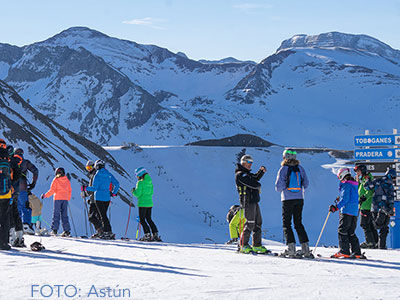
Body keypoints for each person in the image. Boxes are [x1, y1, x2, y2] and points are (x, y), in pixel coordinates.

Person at [275, 149, 313, 258]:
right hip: (300, 199)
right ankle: (305, 249)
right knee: (298, 223)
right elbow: (306, 184)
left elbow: (278, 187)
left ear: (284, 157)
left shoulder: (283, 169)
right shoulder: (300, 168)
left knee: (287, 224)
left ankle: (291, 248)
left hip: (287, 199)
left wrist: (286, 187)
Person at [235, 154, 268, 254]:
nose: (250, 164)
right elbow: (253, 183)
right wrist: (258, 185)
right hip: (247, 202)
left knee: (258, 222)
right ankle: (243, 244)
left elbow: (254, 178)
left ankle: (257, 245)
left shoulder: (246, 174)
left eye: (251, 162)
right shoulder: (240, 174)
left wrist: (261, 172)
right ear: (243, 162)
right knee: (250, 223)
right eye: (248, 162)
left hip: (254, 201)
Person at [329, 168, 364, 258]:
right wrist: (340, 200)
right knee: (351, 231)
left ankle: (344, 251)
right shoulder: (354, 184)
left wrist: (336, 207)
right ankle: (357, 252)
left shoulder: (346, 184)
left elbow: (345, 199)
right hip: (354, 212)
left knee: (342, 230)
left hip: (347, 210)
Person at [85, 160, 119, 240]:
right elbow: (117, 184)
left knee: (102, 216)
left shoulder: (97, 175)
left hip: (99, 197)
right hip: (107, 197)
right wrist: (113, 193)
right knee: (103, 215)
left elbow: (94, 188)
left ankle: (107, 232)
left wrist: (85, 188)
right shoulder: (108, 174)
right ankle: (106, 231)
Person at [364, 168, 396, 250]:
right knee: (384, 228)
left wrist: (367, 179)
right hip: (385, 209)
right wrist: (390, 210)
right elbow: (391, 199)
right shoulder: (390, 186)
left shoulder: (378, 181)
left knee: (374, 225)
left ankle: (372, 243)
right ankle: (381, 245)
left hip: (375, 207)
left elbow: (367, 187)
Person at [131, 167, 161, 242]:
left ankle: (147, 235)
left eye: (137, 175)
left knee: (142, 220)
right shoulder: (150, 182)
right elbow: (152, 192)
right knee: (149, 219)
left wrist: (133, 191)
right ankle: (155, 234)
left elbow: (138, 194)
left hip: (142, 204)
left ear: (140, 174)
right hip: (149, 203)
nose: (137, 177)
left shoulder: (140, 183)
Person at [41, 167, 72, 237]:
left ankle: (54, 230)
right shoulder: (67, 180)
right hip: (65, 199)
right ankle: (67, 231)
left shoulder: (56, 180)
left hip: (57, 199)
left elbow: (52, 190)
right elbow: (69, 190)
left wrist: (45, 195)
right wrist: (68, 198)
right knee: (64, 215)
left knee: (56, 214)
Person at [14, 148, 38, 235]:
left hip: (12, 188)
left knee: (17, 208)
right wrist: (33, 183)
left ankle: (17, 227)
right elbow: (35, 171)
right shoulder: (25, 162)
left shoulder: (11, 161)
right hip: (23, 187)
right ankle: (26, 225)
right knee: (26, 207)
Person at [354, 164, 378, 249]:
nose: (357, 173)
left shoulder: (367, 179)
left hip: (366, 205)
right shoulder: (364, 179)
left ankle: (370, 242)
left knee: (364, 224)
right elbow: (360, 189)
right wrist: (358, 182)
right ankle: (375, 241)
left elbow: (369, 190)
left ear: (362, 170)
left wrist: (364, 197)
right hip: (365, 205)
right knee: (370, 224)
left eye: (358, 171)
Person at [8, 145, 25, 247]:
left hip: (9, 191)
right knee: (15, 212)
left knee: (8, 213)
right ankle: (19, 236)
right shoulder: (16, 163)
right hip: (16, 191)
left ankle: (11, 237)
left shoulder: (9, 163)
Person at [83, 160, 103, 238]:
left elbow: (93, 188)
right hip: (95, 199)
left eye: (90, 167)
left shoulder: (94, 175)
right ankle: (101, 231)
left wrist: (86, 193)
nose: (89, 169)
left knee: (91, 217)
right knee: (98, 216)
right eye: (87, 168)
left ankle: (100, 231)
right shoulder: (93, 175)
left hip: (95, 199)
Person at [0, 139, 12, 250]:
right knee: (4, 219)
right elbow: (10, 176)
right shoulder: (7, 158)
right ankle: (4, 243)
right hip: (6, 194)